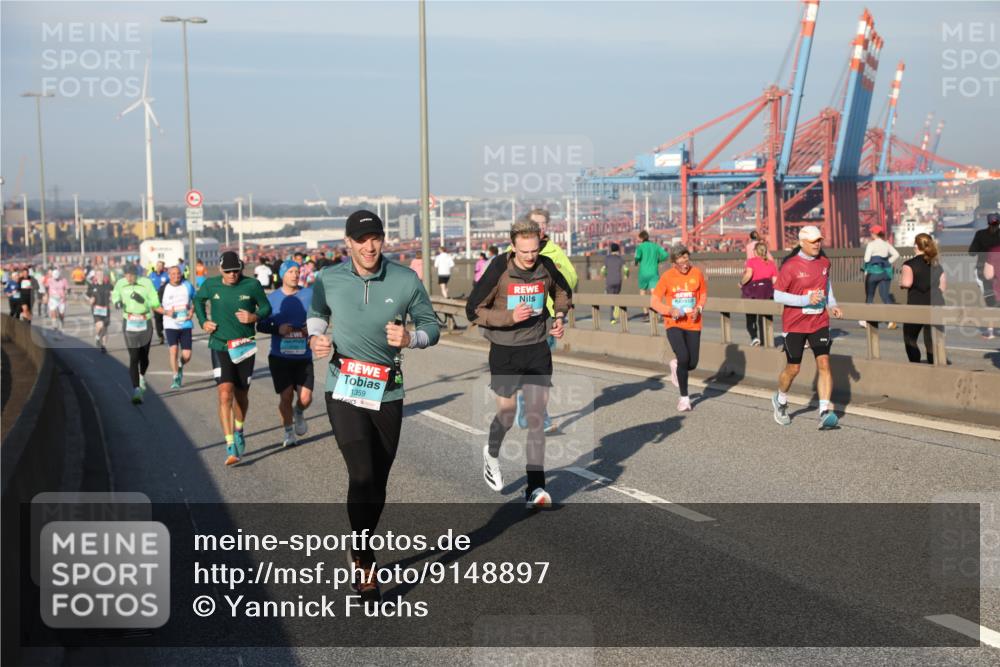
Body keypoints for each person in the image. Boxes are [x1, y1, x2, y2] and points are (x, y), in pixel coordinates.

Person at [307, 210, 440, 602]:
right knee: (361, 474)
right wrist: (316, 339)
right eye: (361, 239)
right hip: (344, 386)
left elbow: (433, 326)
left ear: (383, 240)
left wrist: (411, 338)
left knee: (378, 482)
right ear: (347, 243)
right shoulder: (328, 279)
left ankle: (358, 543)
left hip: (387, 391)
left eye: (375, 238)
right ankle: (364, 560)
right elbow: (317, 316)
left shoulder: (405, 279)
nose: (369, 246)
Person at [467, 218, 572, 508]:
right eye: (524, 251)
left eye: (534, 250)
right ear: (513, 247)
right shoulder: (500, 268)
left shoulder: (546, 265)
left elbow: (562, 292)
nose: (530, 257)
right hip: (505, 351)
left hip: (537, 347)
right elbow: (473, 310)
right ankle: (492, 451)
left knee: (536, 418)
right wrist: (509, 318)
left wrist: (560, 317)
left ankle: (535, 489)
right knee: (508, 412)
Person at [194, 251, 272, 466]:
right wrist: (203, 322)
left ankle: (239, 428)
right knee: (224, 392)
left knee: (241, 395)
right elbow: (198, 300)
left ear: (241, 269)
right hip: (220, 345)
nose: (232, 275)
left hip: (244, 347)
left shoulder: (252, 285)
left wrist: (254, 316)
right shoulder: (211, 285)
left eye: (235, 271)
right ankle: (229, 443)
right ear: (220, 270)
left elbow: (266, 307)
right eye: (227, 271)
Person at [771, 226, 843, 430]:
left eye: (819, 240)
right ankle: (781, 400)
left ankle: (824, 412)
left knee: (824, 363)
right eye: (813, 241)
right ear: (802, 243)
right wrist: (805, 299)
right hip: (795, 323)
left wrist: (832, 304)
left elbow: (826, 285)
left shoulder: (824, 262)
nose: (817, 244)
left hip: (819, 321)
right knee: (793, 368)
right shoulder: (790, 266)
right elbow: (777, 295)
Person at [257, 261, 314, 447]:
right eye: (291, 271)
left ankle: (298, 412)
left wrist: (310, 328)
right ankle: (289, 432)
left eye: (297, 271)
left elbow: (321, 316)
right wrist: (277, 328)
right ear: (283, 275)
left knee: (305, 398)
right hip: (280, 357)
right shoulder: (272, 299)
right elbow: (261, 324)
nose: (295, 275)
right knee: (286, 395)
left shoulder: (309, 294)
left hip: (303, 356)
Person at [650, 245, 707, 412]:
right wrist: (670, 310)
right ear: (674, 261)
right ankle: (684, 398)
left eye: (687, 258)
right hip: (673, 323)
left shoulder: (697, 273)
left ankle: (676, 365)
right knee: (683, 357)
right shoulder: (667, 277)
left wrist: (699, 308)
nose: (685, 262)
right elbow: (653, 302)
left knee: (692, 363)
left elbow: (702, 294)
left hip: (693, 323)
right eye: (681, 259)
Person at [112, 264, 163, 404]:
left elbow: (153, 297)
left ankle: (141, 376)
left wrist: (155, 304)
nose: (128, 278)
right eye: (126, 275)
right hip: (129, 323)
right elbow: (115, 294)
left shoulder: (146, 282)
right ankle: (136, 390)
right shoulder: (121, 283)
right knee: (134, 357)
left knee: (144, 357)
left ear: (136, 274)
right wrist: (116, 302)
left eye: (131, 275)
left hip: (145, 322)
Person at [899, 233, 946, 364]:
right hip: (936, 305)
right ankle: (933, 367)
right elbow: (942, 287)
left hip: (916, 305)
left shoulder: (909, 264)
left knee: (910, 338)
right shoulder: (937, 264)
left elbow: (907, 283)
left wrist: (901, 284)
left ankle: (916, 366)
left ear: (916, 246)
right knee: (931, 340)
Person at [159, 265, 196, 388]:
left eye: (178, 273)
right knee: (173, 350)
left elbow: (196, 300)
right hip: (170, 323)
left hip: (185, 323)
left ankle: (180, 363)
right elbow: (154, 305)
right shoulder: (163, 288)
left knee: (187, 355)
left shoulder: (187, 285)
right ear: (169, 275)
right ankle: (175, 377)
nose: (176, 276)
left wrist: (192, 311)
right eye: (173, 274)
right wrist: (166, 312)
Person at [860, 225, 900, 329]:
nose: (871, 234)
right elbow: (896, 254)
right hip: (885, 273)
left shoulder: (871, 245)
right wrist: (887, 262)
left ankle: (866, 320)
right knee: (885, 296)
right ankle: (891, 321)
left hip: (873, 272)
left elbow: (867, 259)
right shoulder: (886, 244)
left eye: (871, 232)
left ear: (874, 234)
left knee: (870, 296)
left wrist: (865, 272)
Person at [740, 241, 777, 346]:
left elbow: (748, 275)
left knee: (751, 316)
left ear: (755, 251)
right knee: (766, 316)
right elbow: (775, 281)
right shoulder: (771, 263)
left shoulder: (751, 261)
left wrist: (741, 283)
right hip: (767, 292)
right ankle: (766, 339)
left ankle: (754, 337)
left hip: (754, 292)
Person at [969, 213, 1000, 339]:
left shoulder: (980, 234)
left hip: (983, 269)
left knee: (990, 299)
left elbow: (971, 252)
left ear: (987, 222)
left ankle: (991, 330)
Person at [634, 229, 668, 321]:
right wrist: (658, 261)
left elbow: (637, 257)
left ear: (641, 238)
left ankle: (646, 314)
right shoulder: (655, 246)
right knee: (655, 293)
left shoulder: (640, 247)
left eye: (638, 238)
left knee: (643, 292)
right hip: (653, 272)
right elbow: (665, 255)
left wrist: (636, 262)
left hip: (643, 273)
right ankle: (659, 312)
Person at [600, 242, 629, 324]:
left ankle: (612, 318)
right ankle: (616, 309)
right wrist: (626, 276)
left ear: (610, 250)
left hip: (609, 281)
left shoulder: (607, 258)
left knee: (611, 299)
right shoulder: (620, 259)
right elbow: (626, 269)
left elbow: (602, 270)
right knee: (616, 296)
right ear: (618, 250)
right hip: (618, 280)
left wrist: (605, 276)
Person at [86, 269, 114, 352]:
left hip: (106, 309)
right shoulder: (92, 286)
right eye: (98, 275)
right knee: (100, 325)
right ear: (95, 276)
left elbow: (114, 293)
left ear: (103, 275)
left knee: (105, 328)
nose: (100, 276)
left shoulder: (108, 285)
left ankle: (103, 346)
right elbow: (87, 295)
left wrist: (112, 297)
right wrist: (90, 299)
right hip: (96, 309)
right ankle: (98, 337)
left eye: (101, 274)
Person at [147, 261, 170, 345]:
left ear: (163, 267)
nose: (159, 267)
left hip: (165, 299)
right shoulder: (151, 275)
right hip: (155, 300)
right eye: (158, 265)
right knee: (157, 318)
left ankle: (167, 331)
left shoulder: (166, 275)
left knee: (165, 317)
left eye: (161, 266)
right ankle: (160, 335)